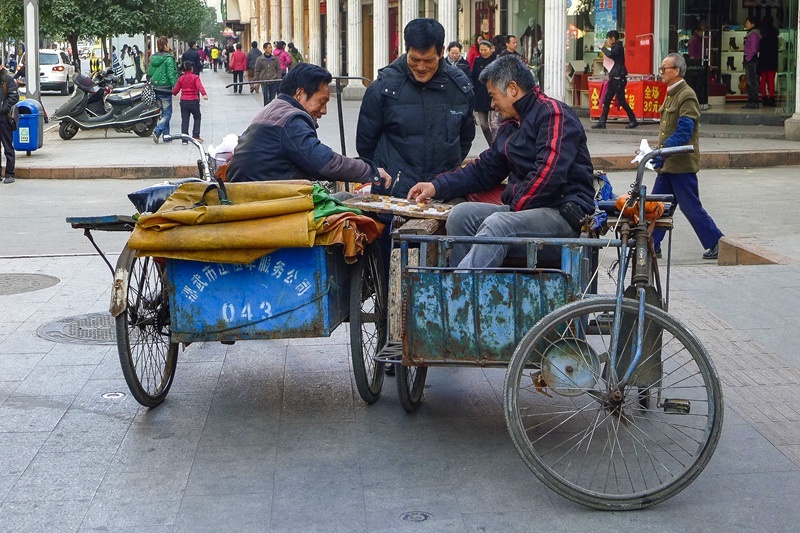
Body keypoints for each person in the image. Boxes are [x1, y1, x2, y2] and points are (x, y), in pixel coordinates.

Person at [406, 55, 595, 269]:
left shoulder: (553, 114)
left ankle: (458, 292)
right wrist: (436, 186)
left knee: (498, 224)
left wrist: (513, 210)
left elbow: (548, 174)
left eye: (494, 96)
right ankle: (462, 283)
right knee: (461, 215)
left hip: (561, 214)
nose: (493, 104)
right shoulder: (511, 125)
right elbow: (483, 170)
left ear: (512, 88)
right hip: (525, 211)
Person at [356, 17, 475, 199]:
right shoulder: (384, 86)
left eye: (428, 60)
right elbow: (365, 142)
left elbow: (465, 137)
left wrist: (444, 177)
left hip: (443, 191)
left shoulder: (460, 86)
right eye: (415, 59)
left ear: (441, 52)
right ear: (406, 51)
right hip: (394, 193)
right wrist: (391, 174)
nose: (421, 67)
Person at [226, 63, 391, 188]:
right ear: (300, 94)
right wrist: (371, 172)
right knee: (348, 204)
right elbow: (325, 163)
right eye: (322, 102)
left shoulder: (275, 109)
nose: (324, 111)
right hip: (266, 202)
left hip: (255, 193)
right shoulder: (290, 119)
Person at [652, 53, 723, 260]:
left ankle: (716, 241)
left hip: (681, 164)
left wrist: (663, 151)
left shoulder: (687, 95)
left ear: (677, 71)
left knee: (690, 206)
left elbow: (684, 130)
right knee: (658, 206)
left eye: (665, 68)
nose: (662, 72)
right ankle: (651, 244)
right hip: (668, 165)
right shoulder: (672, 93)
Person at [592, 30, 638, 129]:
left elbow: (611, 55)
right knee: (607, 99)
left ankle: (633, 119)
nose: (608, 40)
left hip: (618, 78)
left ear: (613, 38)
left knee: (621, 101)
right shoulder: (615, 47)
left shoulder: (619, 47)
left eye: (609, 38)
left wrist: (603, 48)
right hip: (613, 78)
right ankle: (602, 121)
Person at [148, 36, 179, 143]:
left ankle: (166, 135)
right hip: (165, 89)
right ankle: (157, 131)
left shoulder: (153, 58)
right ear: (165, 45)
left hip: (155, 88)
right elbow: (171, 74)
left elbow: (150, 73)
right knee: (167, 113)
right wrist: (175, 86)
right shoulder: (169, 58)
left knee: (162, 112)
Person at [172, 61, 208, 144]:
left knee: (185, 120)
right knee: (197, 117)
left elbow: (175, 91)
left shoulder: (181, 78)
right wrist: (204, 94)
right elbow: (199, 86)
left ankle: (184, 139)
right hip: (193, 101)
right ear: (191, 68)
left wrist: (173, 92)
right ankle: (196, 136)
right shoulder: (195, 77)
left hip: (184, 101)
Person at [472, 40, 498, 145]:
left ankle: (496, 146)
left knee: (494, 124)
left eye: (485, 50)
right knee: (483, 124)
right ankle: (491, 144)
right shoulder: (477, 61)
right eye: (481, 50)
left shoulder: (496, 61)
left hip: (494, 95)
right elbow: (474, 77)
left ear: (491, 49)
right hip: (480, 95)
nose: (483, 52)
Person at [0, 63, 19, 184]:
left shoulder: (7, 80)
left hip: (4, 118)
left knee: (8, 147)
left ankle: (10, 173)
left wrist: (2, 108)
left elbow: (14, 97)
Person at [758, 16, 778, 108]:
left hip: (763, 60)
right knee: (771, 81)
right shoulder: (774, 34)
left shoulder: (763, 34)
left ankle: (764, 97)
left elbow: (760, 49)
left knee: (763, 80)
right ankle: (772, 98)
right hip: (772, 60)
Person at [742, 16, 761, 109]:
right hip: (750, 59)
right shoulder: (752, 33)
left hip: (751, 59)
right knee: (750, 81)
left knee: (751, 81)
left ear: (752, 24)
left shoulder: (753, 35)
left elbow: (754, 49)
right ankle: (751, 100)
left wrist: (748, 58)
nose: (746, 24)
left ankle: (753, 101)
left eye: (747, 23)